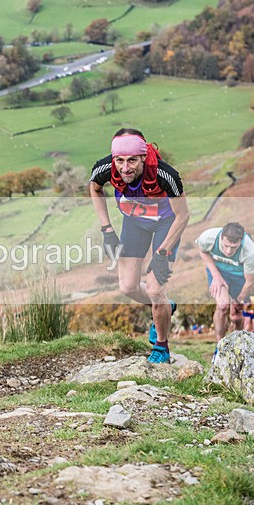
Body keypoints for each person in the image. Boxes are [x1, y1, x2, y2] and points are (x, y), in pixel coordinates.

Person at [90, 128, 189, 363]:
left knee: (155, 289)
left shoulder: (166, 175)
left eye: (132, 160)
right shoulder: (105, 168)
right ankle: (167, 306)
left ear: (143, 157)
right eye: (120, 160)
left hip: (166, 225)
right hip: (134, 223)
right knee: (128, 286)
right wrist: (107, 230)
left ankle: (161, 347)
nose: (125, 168)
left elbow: (183, 216)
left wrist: (162, 253)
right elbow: (94, 188)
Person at [195, 222, 254, 343]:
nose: (228, 251)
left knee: (236, 314)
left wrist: (238, 300)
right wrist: (216, 276)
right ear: (221, 237)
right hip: (218, 271)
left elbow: (250, 281)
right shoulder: (208, 237)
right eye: (225, 246)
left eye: (233, 247)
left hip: (240, 276)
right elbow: (203, 252)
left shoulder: (249, 250)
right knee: (222, 307)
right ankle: (220, 346)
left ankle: (237, 344)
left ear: (241, 241)